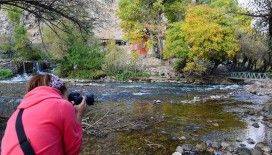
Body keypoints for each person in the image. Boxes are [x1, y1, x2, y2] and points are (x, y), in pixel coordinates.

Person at [1, 73, 86, 155]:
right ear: (61, 92)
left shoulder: (15, 114)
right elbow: (73, 151)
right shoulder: (62, 105)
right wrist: (79, 115)